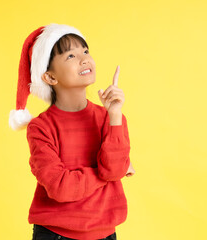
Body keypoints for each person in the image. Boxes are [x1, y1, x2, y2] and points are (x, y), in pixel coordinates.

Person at [9, 23, 135, 240]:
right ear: (50, 77)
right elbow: (61, 187)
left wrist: (114, 115)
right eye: (70, 56)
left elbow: (114, 170)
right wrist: (104, 173)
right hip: (56, 235)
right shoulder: (41, 128)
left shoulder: (111, 117)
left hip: (105, 234)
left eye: (85, 51)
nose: (84, 59)